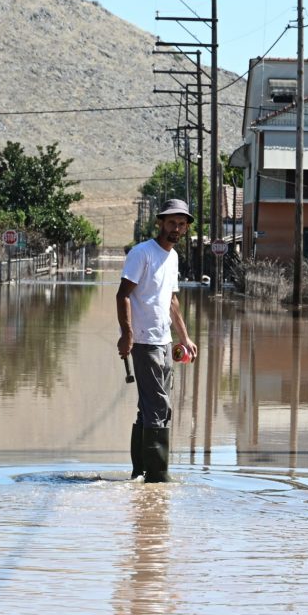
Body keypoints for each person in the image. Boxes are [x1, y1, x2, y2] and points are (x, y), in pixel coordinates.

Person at [117, 198, 198, 482]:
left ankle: (141, 473)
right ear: (160, 223)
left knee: (151, 407)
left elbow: (171, 300)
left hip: (164, 342)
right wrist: (127, 335)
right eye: (171, 223)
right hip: (143, 342)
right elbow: (123, 294)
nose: (176, 228)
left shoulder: (173, 256)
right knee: (159, 408)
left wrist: (184, 337)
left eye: (181, 224)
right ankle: (157, 480)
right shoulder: (143, 253)